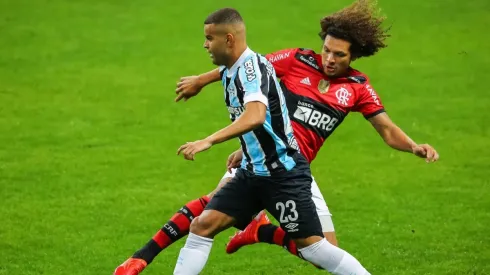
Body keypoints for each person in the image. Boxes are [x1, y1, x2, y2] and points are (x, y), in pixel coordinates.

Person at [114, 1, 438, 274]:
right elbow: (244, 65)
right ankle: (141, 257)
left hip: (288, 170)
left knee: (317, 250)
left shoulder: (357, 87)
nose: (329, 58)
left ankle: (261, 232)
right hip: (253, 163)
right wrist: (203, 80)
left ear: (353, 56)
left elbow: (386, 129)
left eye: (338, 54)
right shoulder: (296, 60)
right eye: (326, 50)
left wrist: (413, 146)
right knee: (204, 222)